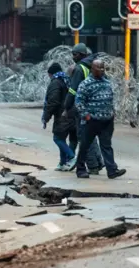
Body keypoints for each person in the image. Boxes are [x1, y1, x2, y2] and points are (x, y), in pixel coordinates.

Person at [75, 59, 126, 180]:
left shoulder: (107, 83)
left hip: (107, 121)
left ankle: (112, 170)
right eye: (99, 68)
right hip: (91, 121)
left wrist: (112, 113)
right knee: (85, 146)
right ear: (92, 69)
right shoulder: (85, 84)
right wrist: (86, 115)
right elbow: (79, 102)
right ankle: (81, 169)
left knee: (106, 146)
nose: (102, 70)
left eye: (103, 68)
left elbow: (110, 99)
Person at [63, 43, 104, 173]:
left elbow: (73, 91)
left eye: (74, 55)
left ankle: (92, 166)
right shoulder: (94, 66)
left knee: (84, 137)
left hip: (81, 106)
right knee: (92, 136)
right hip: (94, 105)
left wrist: (66, 106)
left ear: (81, 55)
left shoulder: (80, 69)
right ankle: (99, 162)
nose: (73, 57)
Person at [42, 62, 76, 171]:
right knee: (67, 139)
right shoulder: (68, 80)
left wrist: (46, 117)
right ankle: (63, 163)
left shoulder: (55, 83)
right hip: (74, 113)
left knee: (57, 138)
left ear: (51, 74)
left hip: (63, 115)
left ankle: (71, 157)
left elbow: (53, 102)